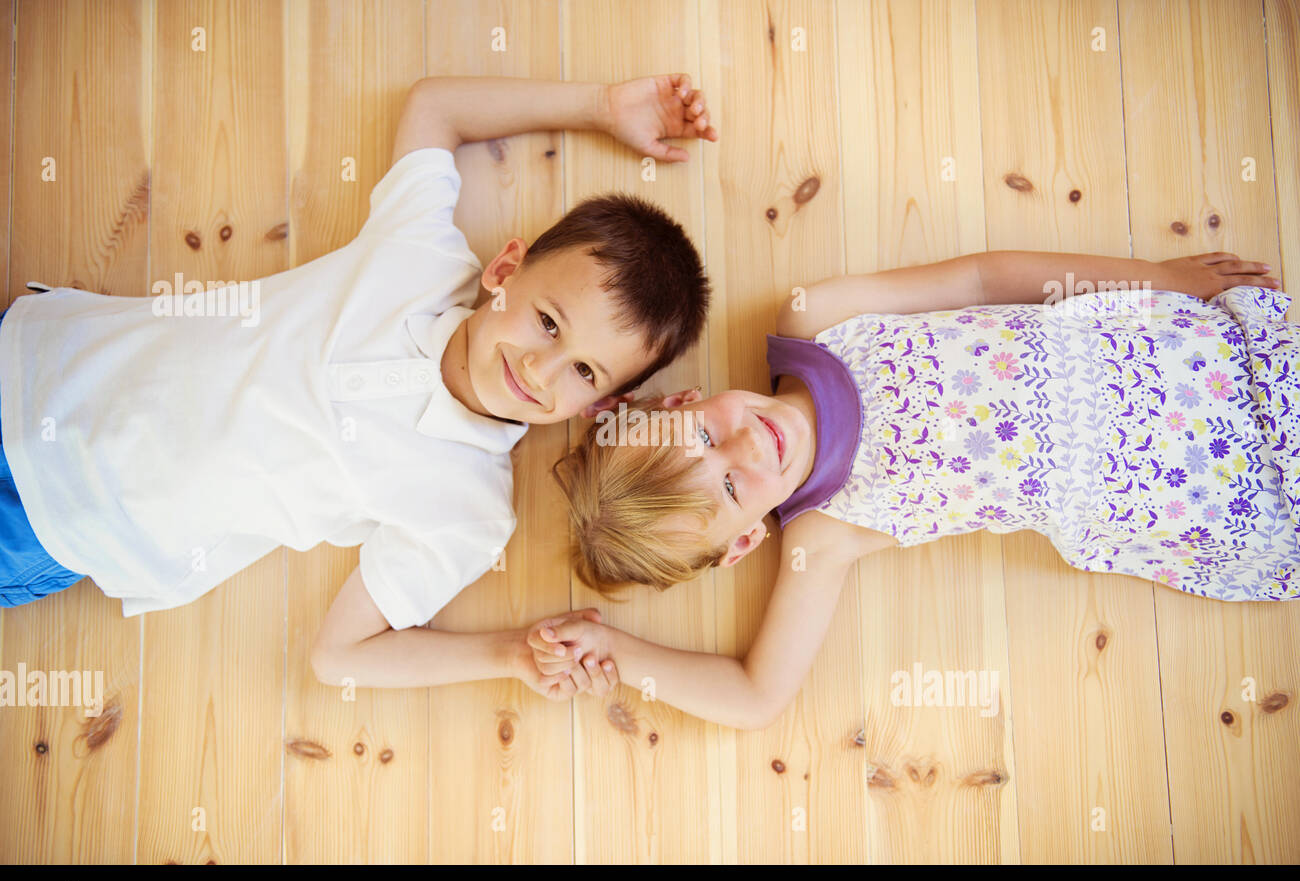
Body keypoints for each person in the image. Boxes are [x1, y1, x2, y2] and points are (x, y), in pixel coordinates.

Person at [0, 73, 717, 701]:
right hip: (40, 355)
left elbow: (338, 655)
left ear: (598, 405)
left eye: (584, 373)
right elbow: (436, 106)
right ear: (504, 272)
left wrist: (508, 655)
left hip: (61, 523)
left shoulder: (468, 513)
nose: (540, 370)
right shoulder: (420, 251)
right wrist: (598, 106)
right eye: (548, 322)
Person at [531, 250, 1294, 726]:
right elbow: (758, 697)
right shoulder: (824, 535)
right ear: (741, 543)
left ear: (679, 403)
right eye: (731, 485)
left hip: (1171, 354)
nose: (743, 444)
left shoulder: (817, 320)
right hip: (1181, 483)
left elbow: (982, 276)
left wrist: (1161, 278)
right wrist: (617, 651)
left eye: (702, 435)